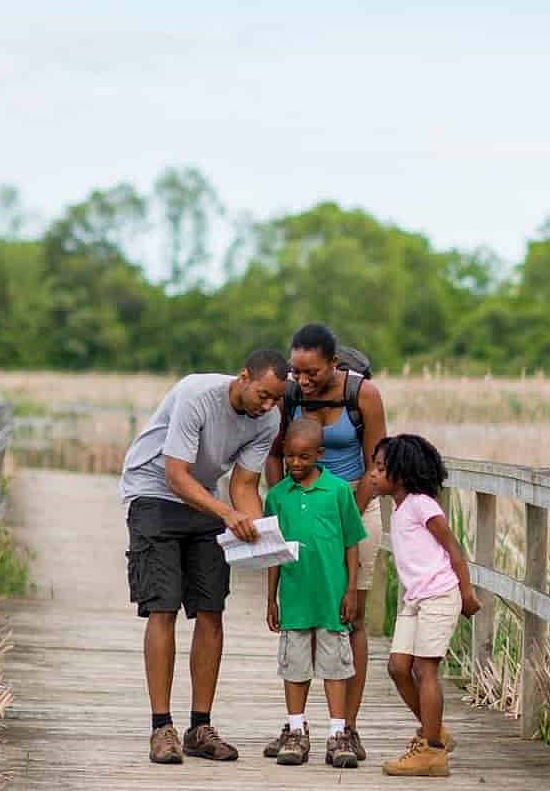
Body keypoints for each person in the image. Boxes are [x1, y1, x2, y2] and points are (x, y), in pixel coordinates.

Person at [121, 349, 288, 764]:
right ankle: (161, 727)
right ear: (244, 376)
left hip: (205, 501)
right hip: (153, 492)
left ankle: (200, 727)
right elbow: (175, 475)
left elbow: (245, 485)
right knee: (164, 607)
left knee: (211, 608)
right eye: (263, 395)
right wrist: (228, 516)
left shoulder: (268, 419)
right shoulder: (197, 394)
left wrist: (258, 534)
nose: (267, 406)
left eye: (275, 399)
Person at [266, 323, 388, 761]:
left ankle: (346, 728)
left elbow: (378, 463)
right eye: (296, 372)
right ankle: (296, 725)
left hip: (355, 503)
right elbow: (275, 452)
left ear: (333, 365)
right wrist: (279, 507)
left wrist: (344, 515)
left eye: (312, 372)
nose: (303, 380)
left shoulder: (363, 395)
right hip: (302, 507)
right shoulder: (291, 395)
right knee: (301, 616)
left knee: (348, 614)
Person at [367, 434, 480, 777]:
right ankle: (436, 732)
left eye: (381, 468)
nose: (373, 473)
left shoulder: (421, 504)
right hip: (414, 599)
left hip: (439, 594)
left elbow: (453, 548)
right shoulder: (399, 507)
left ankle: (431, 751)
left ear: (401, 474)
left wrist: (467, 592)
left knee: (424, 669)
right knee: (398, 667)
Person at [261, 417, 368, 768]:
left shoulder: (338, 491)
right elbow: (273, 552)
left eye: (303, 457)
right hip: (294, 598)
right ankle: (295, 729)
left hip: (331, 597)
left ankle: (338, 733)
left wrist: (351, 590)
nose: (295, 463)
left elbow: (352, 543)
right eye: (289, 456)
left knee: (334, 665)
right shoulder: (277, 497)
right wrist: (271, 598)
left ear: (319, 454)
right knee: (295, 665)